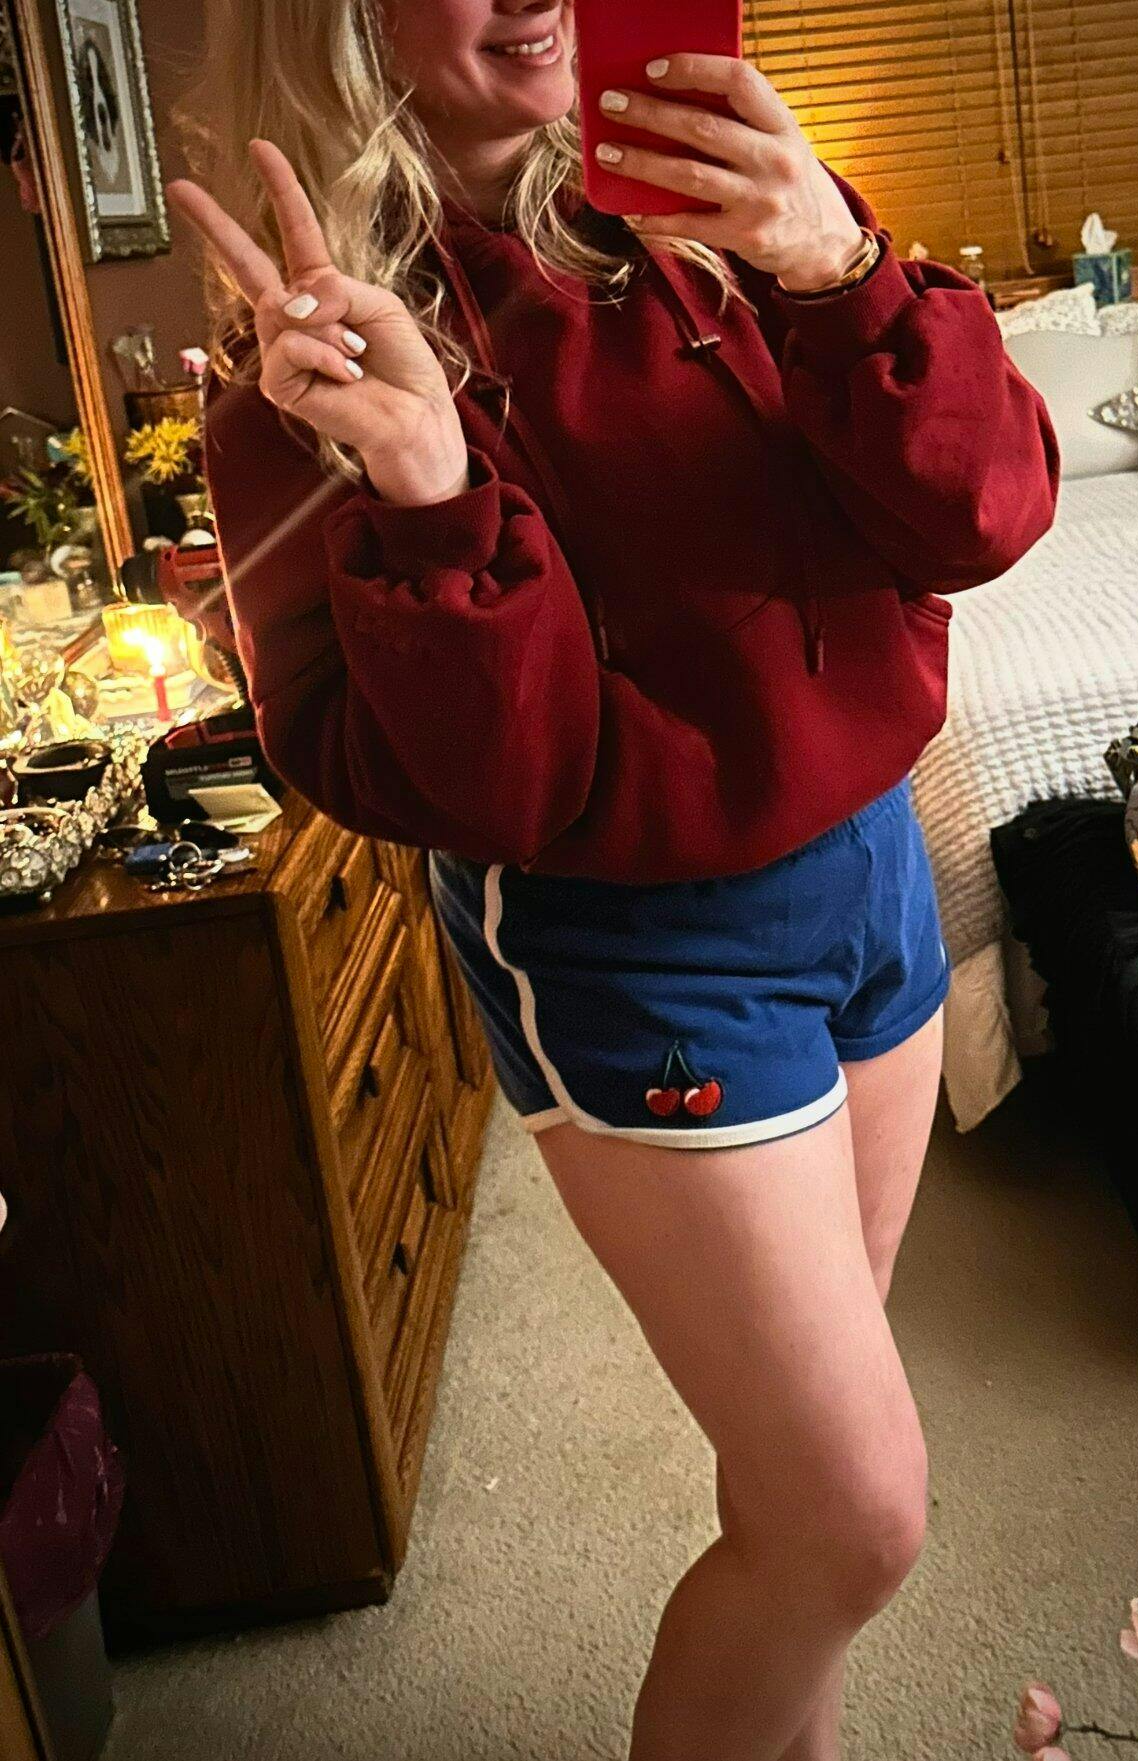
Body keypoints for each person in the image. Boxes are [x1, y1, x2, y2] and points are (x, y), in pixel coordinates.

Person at [167, 4, 1060, 1756]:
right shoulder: (306, 364)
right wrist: (428, 490)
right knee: (854, 1517)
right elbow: (496, 790)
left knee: (794, 1489)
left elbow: (985, 514)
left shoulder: (716, 193)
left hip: (869, 858)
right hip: (640, 944)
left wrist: (838, 270)